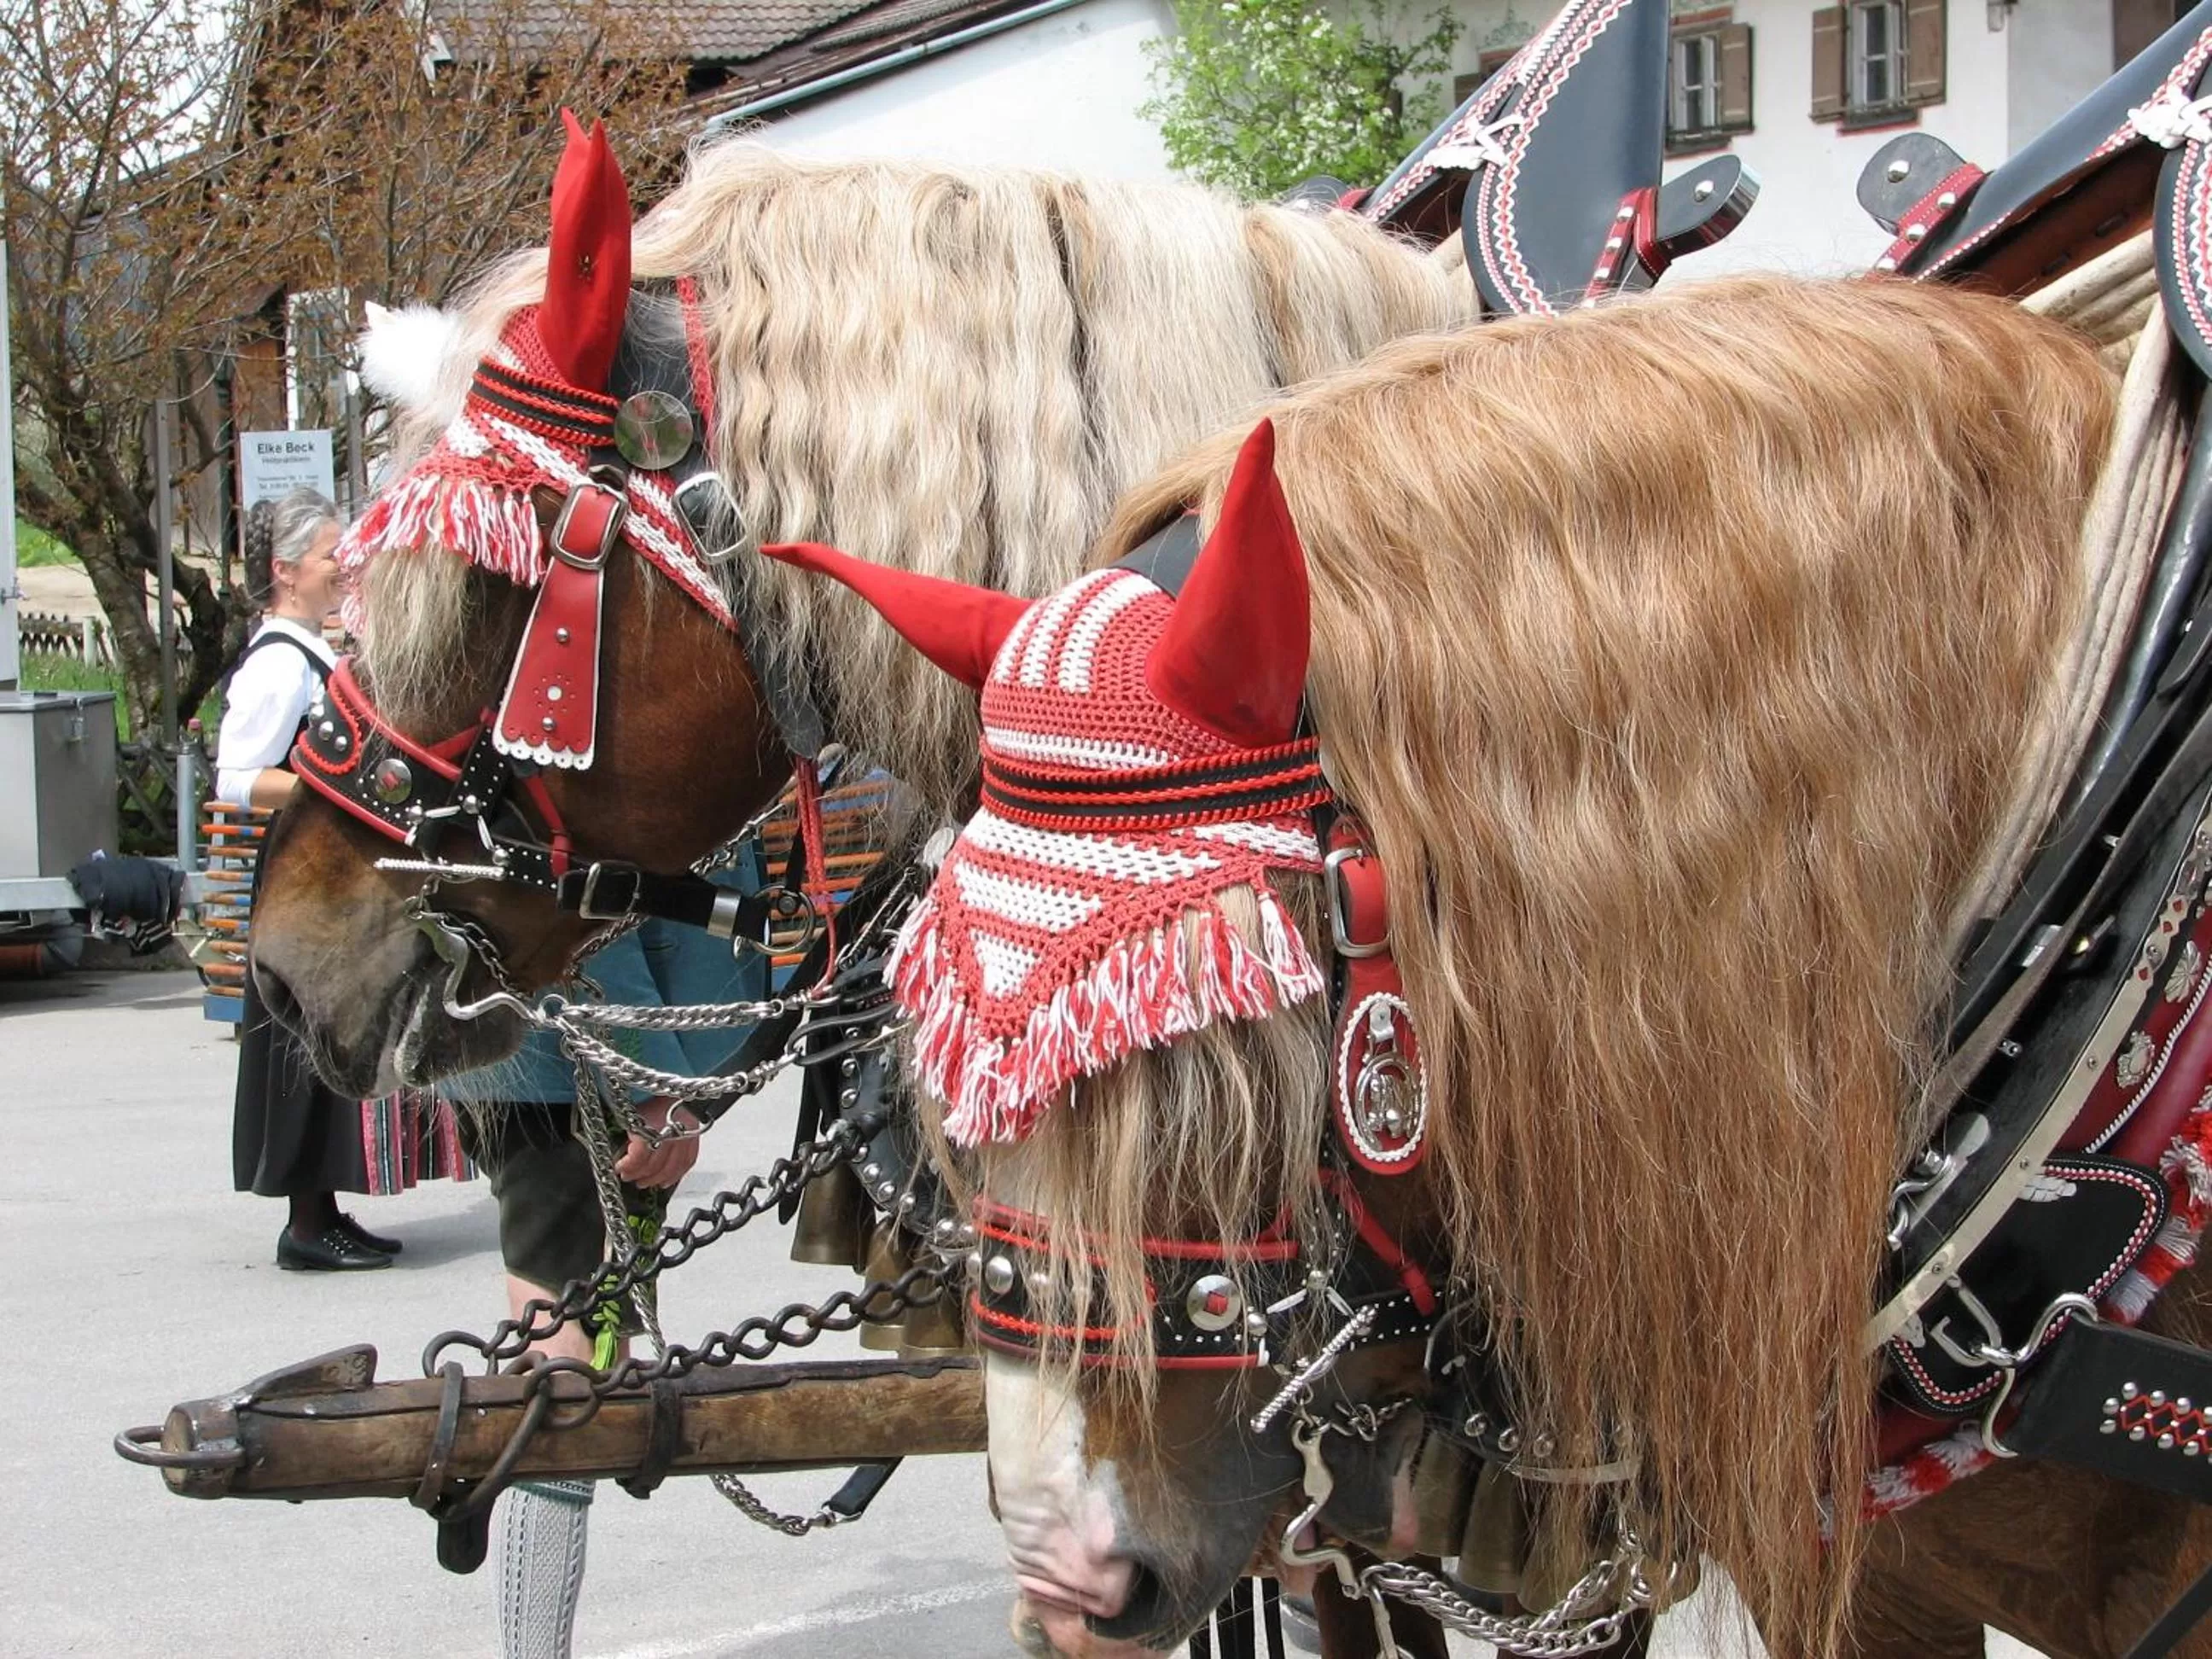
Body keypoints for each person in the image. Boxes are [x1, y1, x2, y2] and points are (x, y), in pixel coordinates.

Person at [443, 859, 771, 1659]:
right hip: (572, 1067)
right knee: (568, 1377)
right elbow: (591, 906)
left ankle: (505, 1483)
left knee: (576, 1357)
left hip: (571, 1055)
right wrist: (649, 1084)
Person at [220, 488, 400, 1271]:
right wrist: (326, 794)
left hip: (324, 865)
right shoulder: (275, 665)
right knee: (303, 1033)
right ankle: (305, 1219)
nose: (344, 567)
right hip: (303, 867)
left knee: (333, 1028)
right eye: (332, 554)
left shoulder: (312, 650)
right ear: (285, 571)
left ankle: (323, 1204)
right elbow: (234, 778)